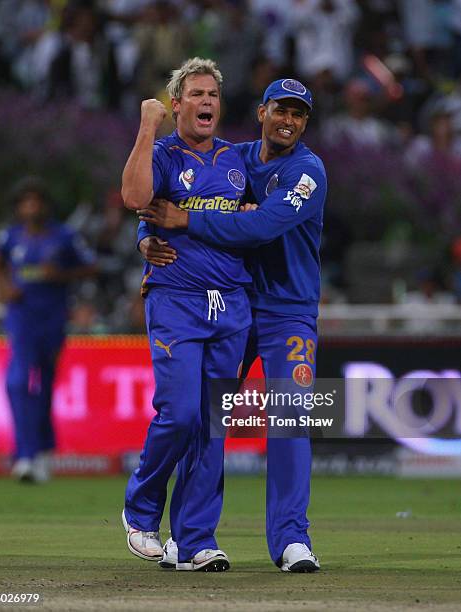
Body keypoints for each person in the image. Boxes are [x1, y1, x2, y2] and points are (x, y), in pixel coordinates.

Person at [138, 77, 327, 573]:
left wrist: (185, 224)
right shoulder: (233, 158)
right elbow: (178, 198)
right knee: (206, 419)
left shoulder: (308, 172)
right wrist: (146, 236)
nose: (288, 121)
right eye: (281, 110)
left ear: (305, 123)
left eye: (299, 114)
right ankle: (189, 538)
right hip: (234, 305)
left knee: (290, 420)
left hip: (290, 311)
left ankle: (292, 540)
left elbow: (261, 226)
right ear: (261, 112)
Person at [121, 57, 252, 571]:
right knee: (180, 413)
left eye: (213, 96)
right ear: (177, 103)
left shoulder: (238, 160)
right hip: (176, 298)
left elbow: (264, 221)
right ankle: (140, 513)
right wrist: (147, 124)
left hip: (231, 304)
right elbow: (133, 196)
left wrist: (239, 215)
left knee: (213, 426)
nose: (206, 103)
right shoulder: (162, 153)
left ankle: (194, 540)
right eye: (196, 94)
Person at [0, 176, 97, 483]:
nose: (31, 207)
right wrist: (4, 289)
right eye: (26, 201)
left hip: (52, 319)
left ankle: (40, 452)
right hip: (21, 317)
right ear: (19, 207)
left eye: (36, 201)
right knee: (17, 381)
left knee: (44, 386)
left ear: (45, 205)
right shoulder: (10, 237)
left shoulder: (63, 236)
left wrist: (61, 273)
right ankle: (24, 455)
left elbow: (91, 266)